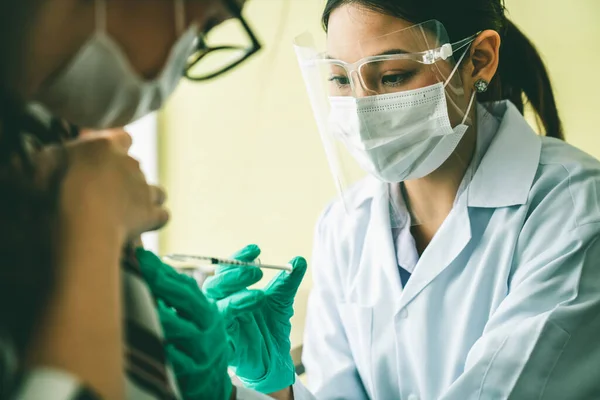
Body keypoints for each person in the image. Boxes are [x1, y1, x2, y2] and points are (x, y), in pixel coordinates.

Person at [158, 0, 600, 399]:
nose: (362, 109)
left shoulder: (576, 209)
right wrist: (275, 389)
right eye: (338, 78)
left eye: (392, 76)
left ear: (478, 60)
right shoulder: (345, 223)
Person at [0, 0, 299, 399]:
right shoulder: (73, 181)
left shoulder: (40, 136)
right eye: (206, 24)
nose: (185, 50)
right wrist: (94, 222)